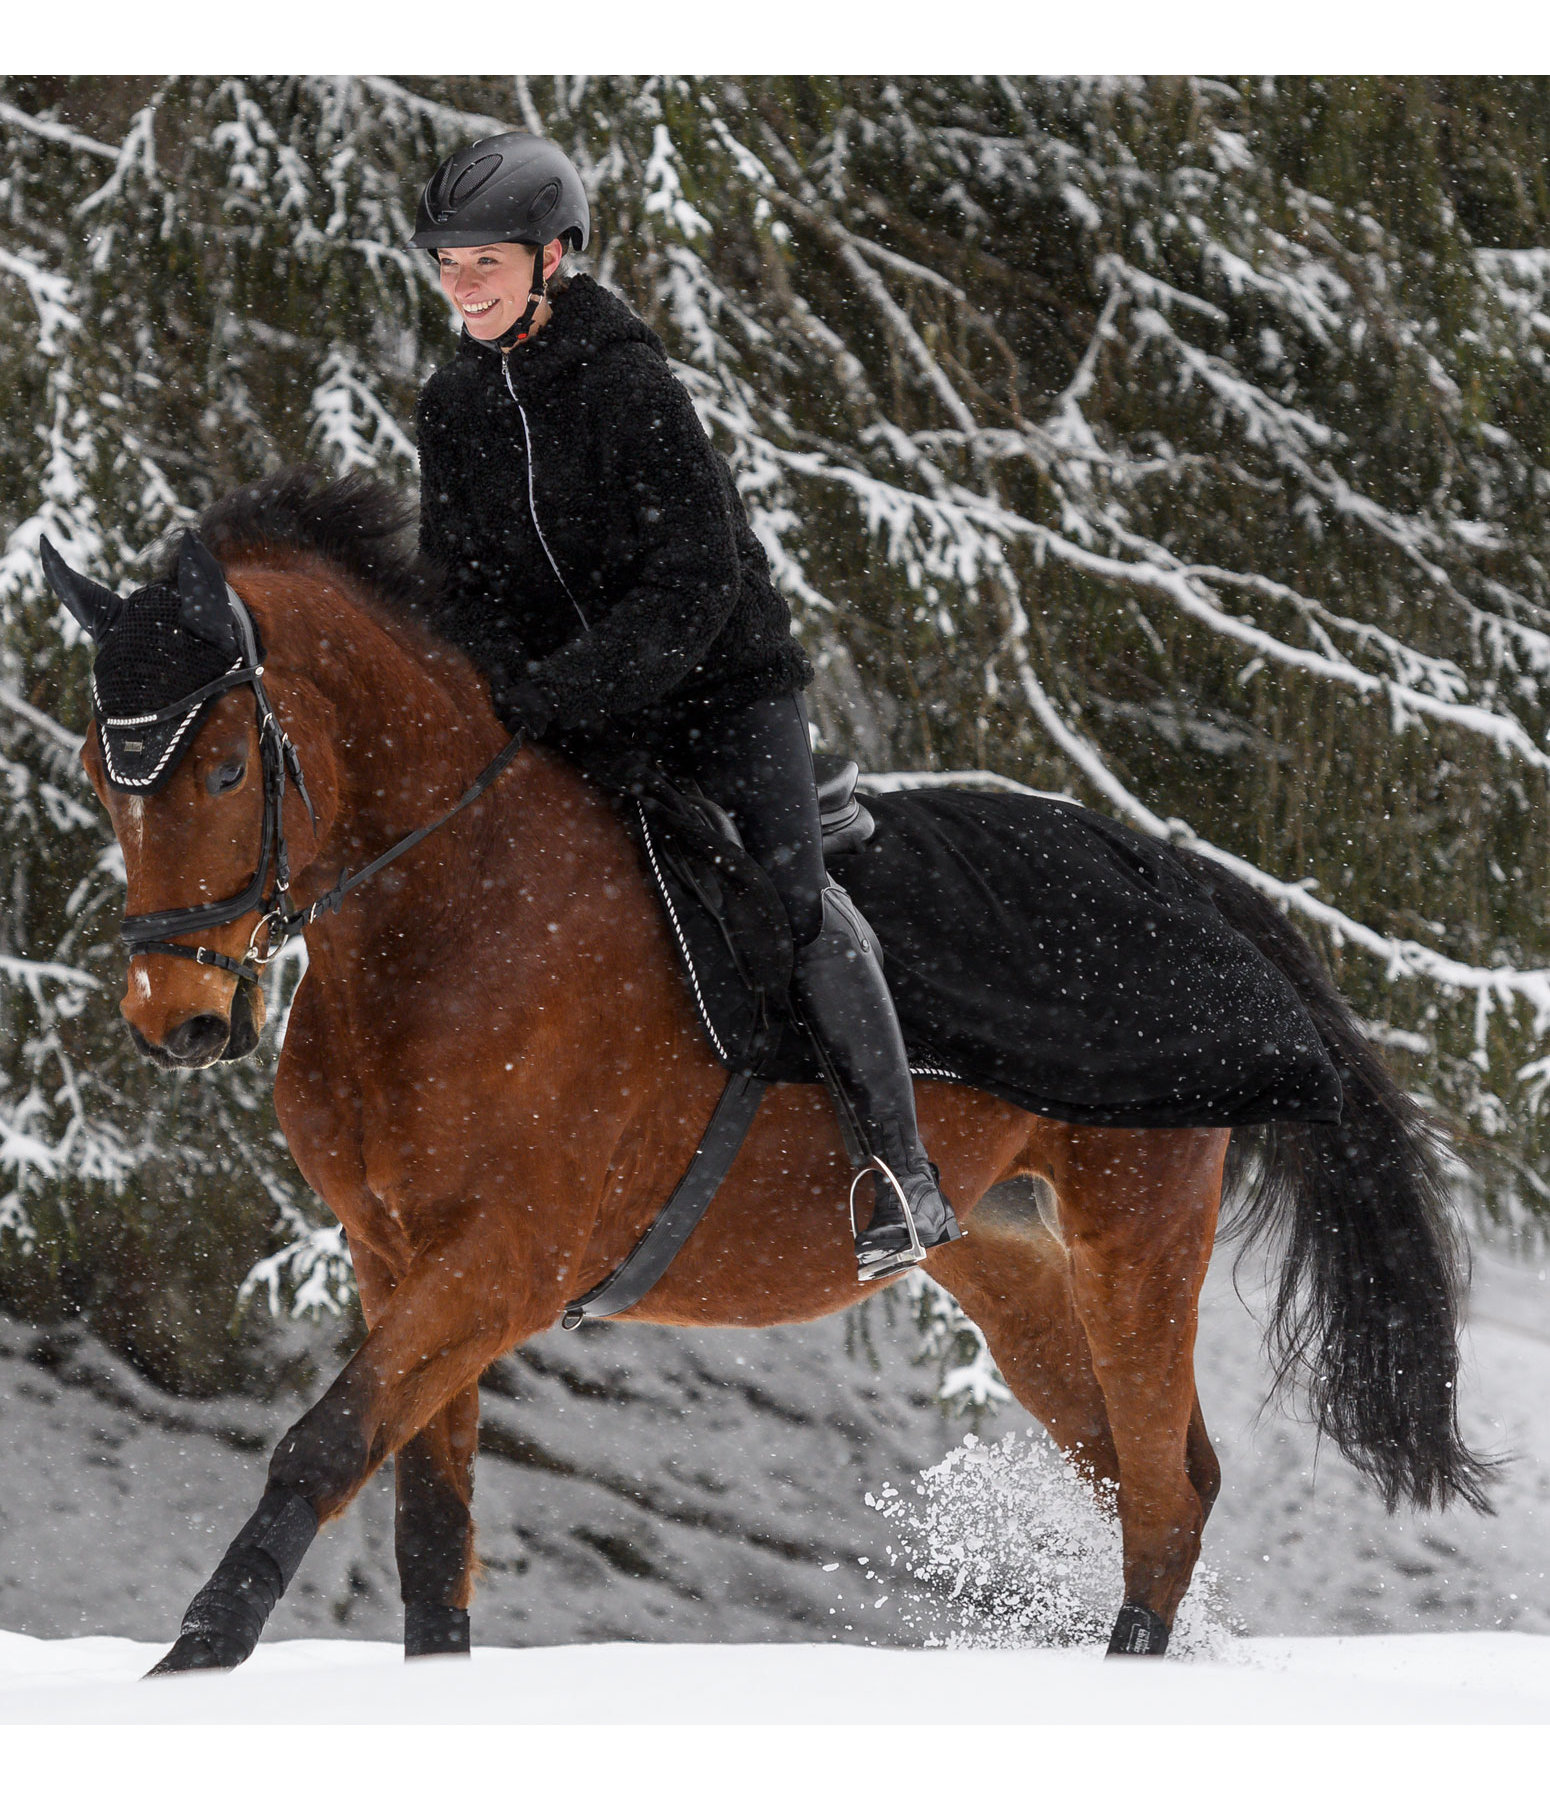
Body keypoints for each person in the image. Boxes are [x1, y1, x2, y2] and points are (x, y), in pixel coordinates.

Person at [409, 132, 960, 1281]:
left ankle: (898, 1176)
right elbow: (457, 583)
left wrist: (565, 690)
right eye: (448, 263)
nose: (463, 284)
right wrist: (501, 688)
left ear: (552, 257)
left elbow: (693, 581)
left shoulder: (624, 381)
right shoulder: (453, 402)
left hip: (717, 685)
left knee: (788, 896)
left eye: (485, 262)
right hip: (572, 709)